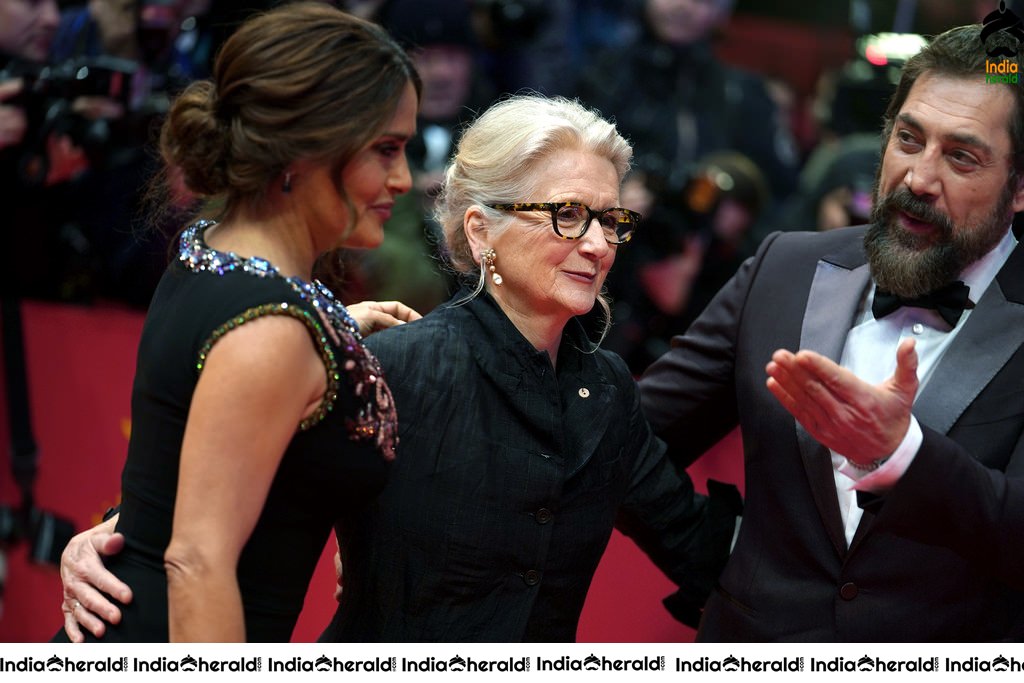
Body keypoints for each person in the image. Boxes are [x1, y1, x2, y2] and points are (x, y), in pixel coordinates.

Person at [60, 94, 741, 642]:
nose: (597, 244)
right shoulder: (395, 365)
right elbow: (225, 496)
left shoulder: (606, 392)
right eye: (567, 215)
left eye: (610, 219)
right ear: (480, 231)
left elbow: (697, 542)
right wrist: (110, 537)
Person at [639, 23, 1024, 641]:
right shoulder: (783, 267)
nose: (918, 178)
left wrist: (903, 457)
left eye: (961, 156)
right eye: (908, 139)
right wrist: (710, 552)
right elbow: (630, 440)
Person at [54, 1, 422, 642]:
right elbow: (196, 564)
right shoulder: (272, 331)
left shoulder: (212, 251)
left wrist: (334, 325)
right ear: (303, 151)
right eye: (385, 150)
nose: (405, 179)